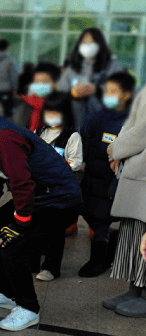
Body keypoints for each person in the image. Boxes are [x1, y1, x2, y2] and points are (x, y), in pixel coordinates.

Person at [0, 86, 81, 331]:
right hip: (37, 196)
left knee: (12, 244)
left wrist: (18, 224)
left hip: (59, 200)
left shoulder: (3, 136)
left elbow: (21, 183)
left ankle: (28, 308)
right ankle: (6, 292)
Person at [79, 72, 135, 278]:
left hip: (112, 182)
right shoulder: (99, 115)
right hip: (91, 176)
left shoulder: (131, 123)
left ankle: (99, 260)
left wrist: (115, 187)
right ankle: (112, 244)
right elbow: (86, 140)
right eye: (107, 91)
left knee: (101, 220)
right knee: (89, 212)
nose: (108, 95)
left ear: (127, 95)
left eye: (114, 91)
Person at [103, 84, 146, 317]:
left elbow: (142, 131)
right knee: (133, 233)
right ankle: (134, 290)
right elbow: (132, 122)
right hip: (136, 167)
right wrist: (118, 151)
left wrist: (115, 149)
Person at [33, 91, 83, 281]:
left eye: (56, 113)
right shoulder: (39, 132)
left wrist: (56, 168)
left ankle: (51, 268)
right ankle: (32, 262)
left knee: (54, 229)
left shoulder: (72, 136)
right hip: (39, 189)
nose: (52, 117)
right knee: (35, 225)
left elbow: (76, 162)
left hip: (60, 191)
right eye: (49, 113)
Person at [57, 28, 123, 128]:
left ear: (100, 45)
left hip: (104, 119)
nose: (88, 45)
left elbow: (122, 89)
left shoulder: (112, 66)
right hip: (74, 120)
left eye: (92, 42)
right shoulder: (72, 67)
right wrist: (72, 93)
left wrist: (97, 90)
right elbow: (59, 92)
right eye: (85, 42)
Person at [12, 62, 61, 131]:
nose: (40, 85)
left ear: (55, 83)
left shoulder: (62, 105)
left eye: (44, 82)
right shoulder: (25, 103)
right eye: (37, 82)